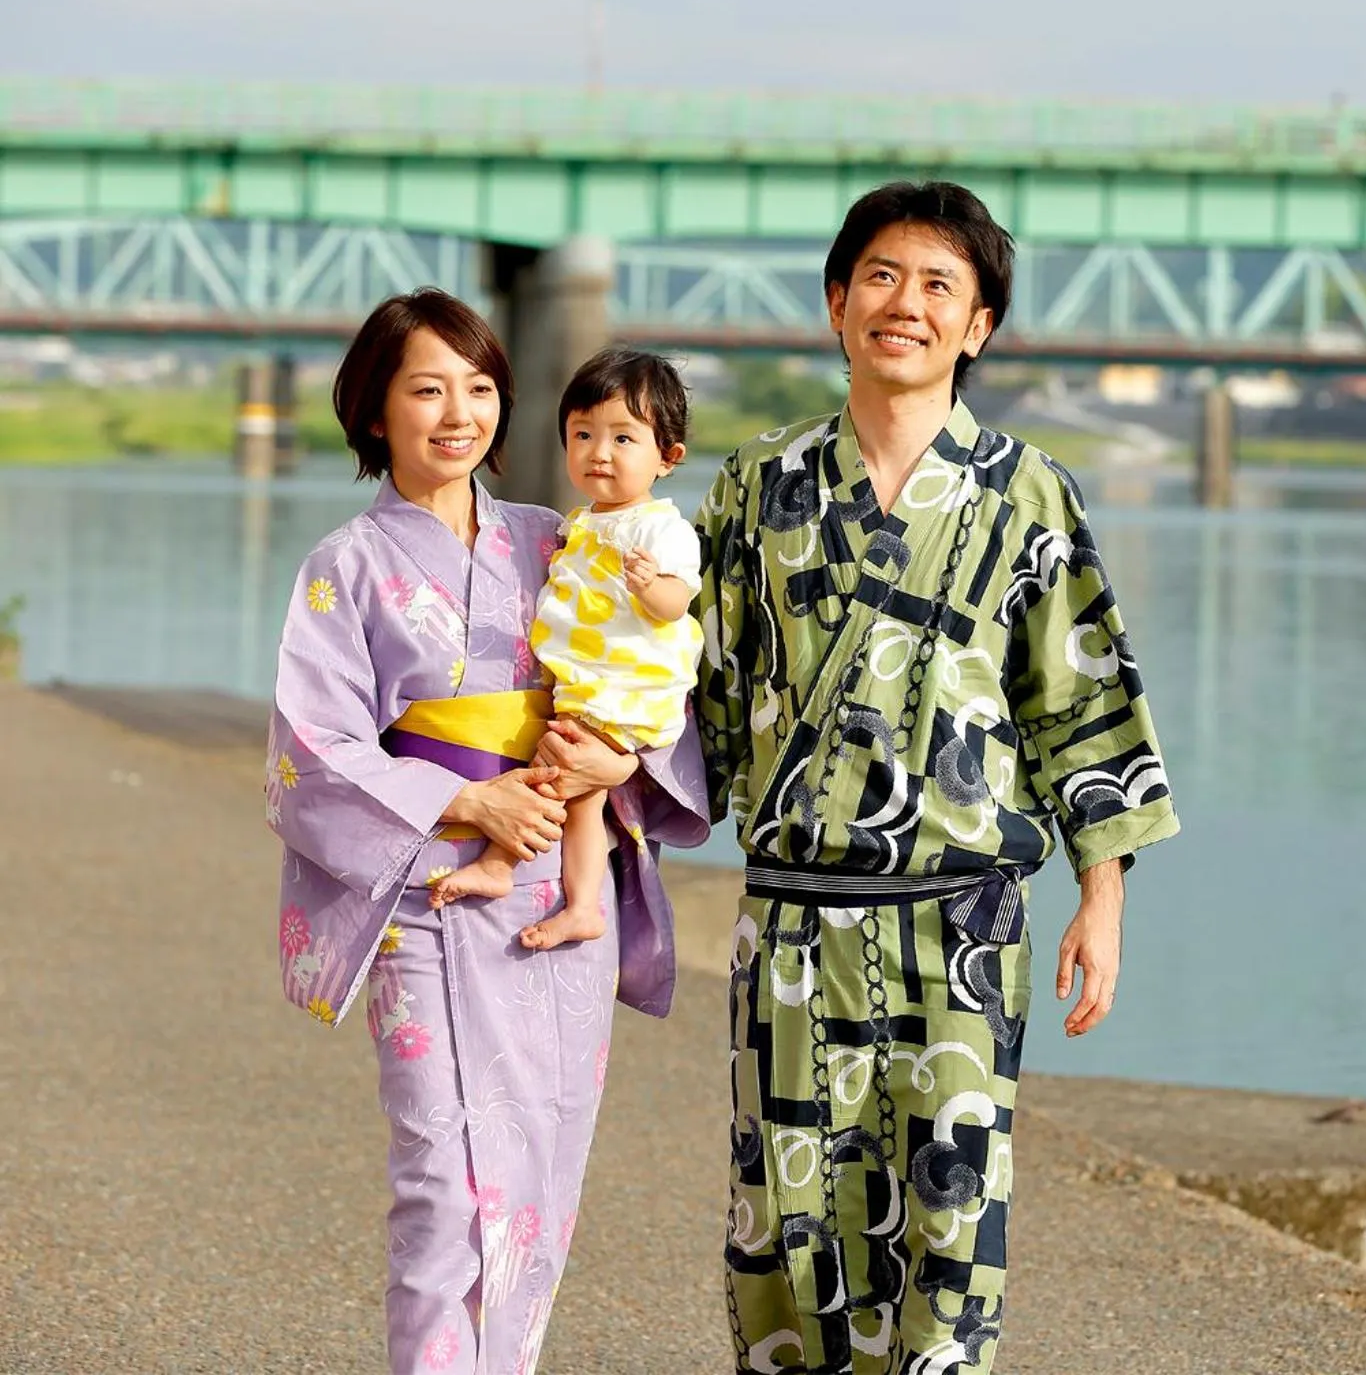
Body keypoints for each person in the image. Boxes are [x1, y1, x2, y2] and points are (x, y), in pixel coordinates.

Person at [693, 181, 1180, 1372]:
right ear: (833, 302)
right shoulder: (757, 489)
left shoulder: (1030, 495)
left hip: (959, 920)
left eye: (937, 285)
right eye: (878, 276)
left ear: (977, 328)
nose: (902, 304)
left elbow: (1080, 705)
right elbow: (685, 696)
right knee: (781, 1227)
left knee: (949, 1229)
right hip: (794, 920)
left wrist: (1100, 900)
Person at [265, 289, 709, 1375]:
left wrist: (620, 760)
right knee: (441, 1174)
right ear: (375, 412)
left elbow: (652, 675)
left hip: (557, 887)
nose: (457, 414)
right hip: (426, 890)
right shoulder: (347, 566)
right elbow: (311, 749)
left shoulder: (558, 541)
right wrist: (467, 801)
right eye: (426, 389)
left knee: (540, 1171)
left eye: (478, 389)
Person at [428, 346, 702, 955]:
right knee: (578, 794)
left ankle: (507, 865)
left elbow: (677, 602)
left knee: (557, 773)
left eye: (623, 438)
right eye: (582, 434)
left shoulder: (660, 528)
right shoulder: (580, 522)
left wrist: (650, 586)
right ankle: (580, 904)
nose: (599, 452)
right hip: (591, 687)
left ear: (668, 456)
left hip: (625, 691)